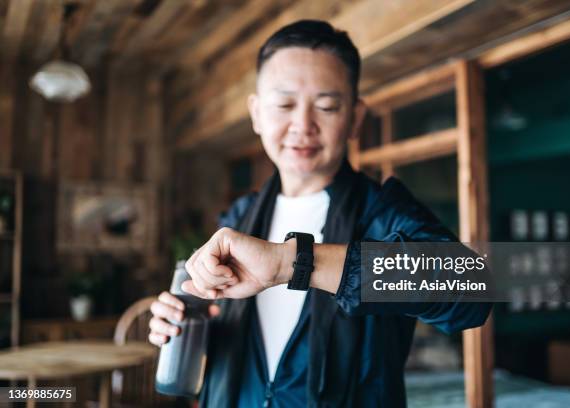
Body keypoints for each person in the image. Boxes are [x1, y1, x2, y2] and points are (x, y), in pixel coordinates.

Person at [149, 20, 492, 407]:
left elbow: (472, 289)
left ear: (355, 118)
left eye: (327, 106)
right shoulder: (240, 216)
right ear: (257, 113)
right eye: (283, 105)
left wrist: (293, 262)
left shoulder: (382, 210)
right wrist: (193, 324)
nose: (303, 126)